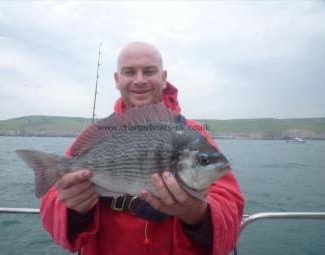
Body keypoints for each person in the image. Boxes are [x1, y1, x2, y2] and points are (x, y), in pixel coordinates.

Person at [40, 42, 245, 255]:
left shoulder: (193, 135)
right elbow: (52, 205)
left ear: (163, 77)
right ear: (117, 80)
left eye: (149, 71)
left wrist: (198, 215)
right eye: (129, 72)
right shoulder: (98, 134)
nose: (139, 80)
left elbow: (230, 210)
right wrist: (73, 209)